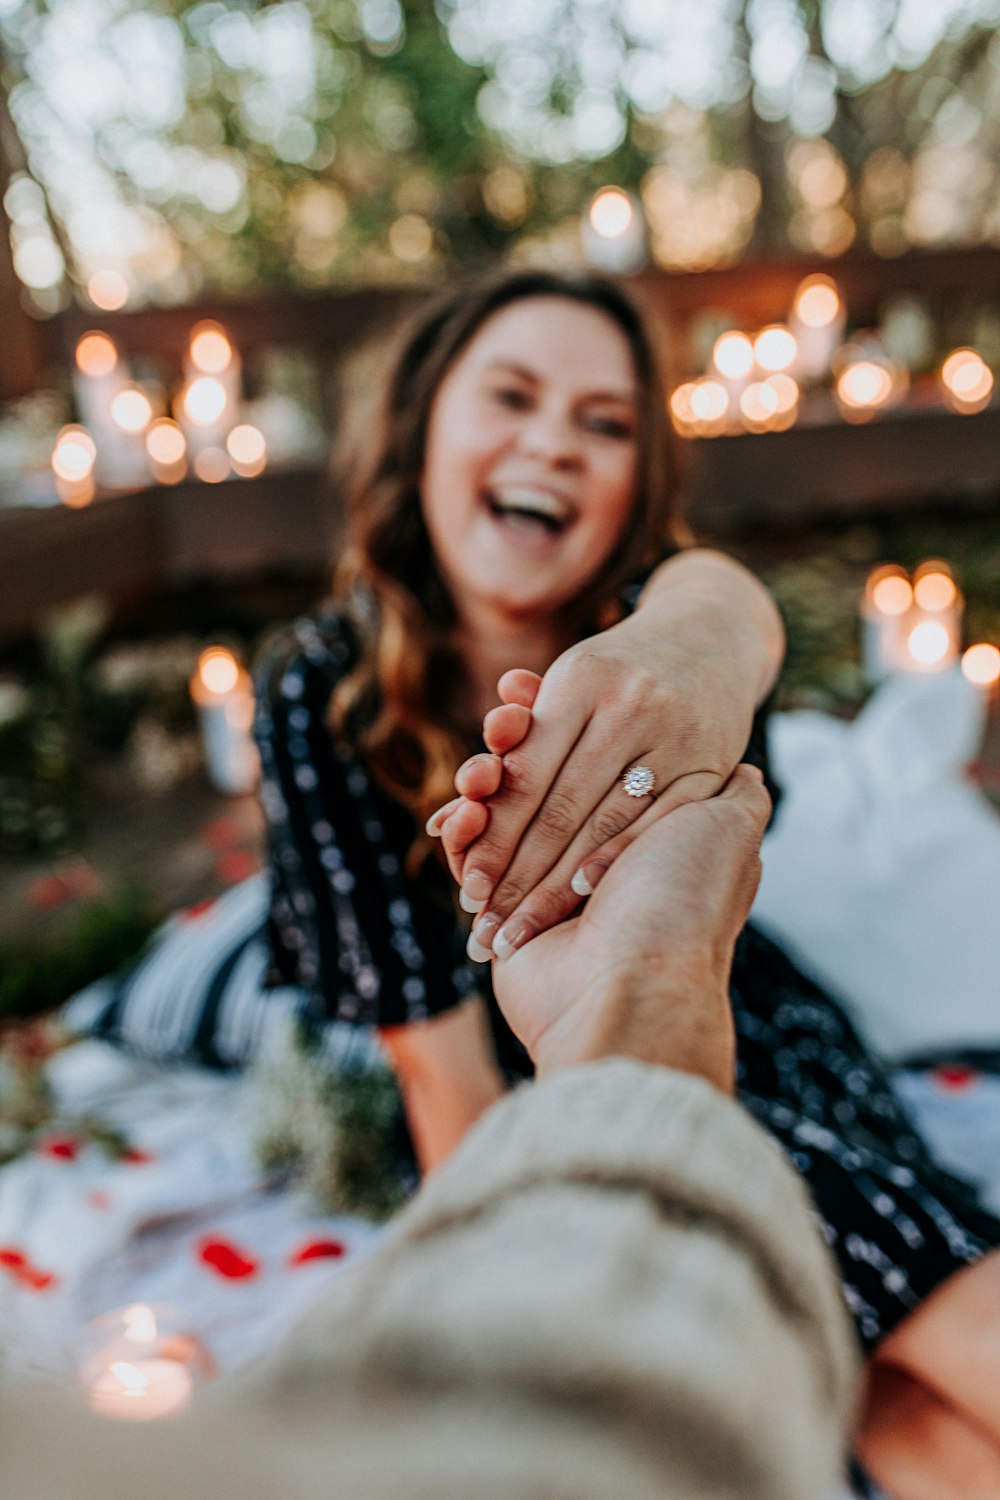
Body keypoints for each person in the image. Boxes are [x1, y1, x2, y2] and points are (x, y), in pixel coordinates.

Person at [252, 267, 1000, 1495]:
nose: (554, 439)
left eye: (604, 423)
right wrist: (533, 1291)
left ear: (635, 493)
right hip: (484, 1071)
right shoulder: (316, 689)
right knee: (872, 1372)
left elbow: (722, 608)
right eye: (512, 395)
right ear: (422, 433)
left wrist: (696, 642)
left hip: (729, 996)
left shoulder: (667, 653)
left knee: (817, 1195)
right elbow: (444, 1091)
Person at [3, 764, 862, 1500]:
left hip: (717, 1042)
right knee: (892, 1398)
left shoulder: (647, 630)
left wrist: (705, 630)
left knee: (886, 1308)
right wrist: (648, 987)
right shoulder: (334, 697)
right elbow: (585, 1450)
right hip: (586, 1069)